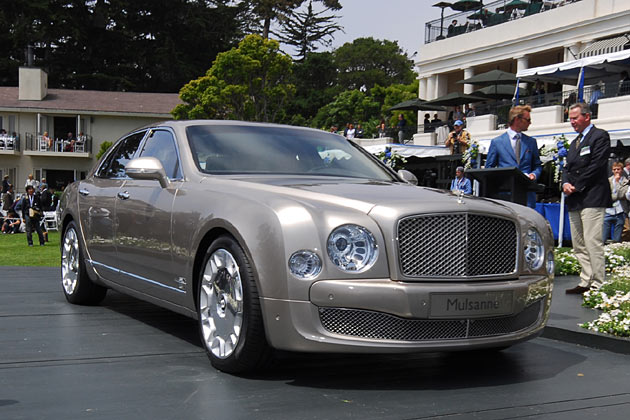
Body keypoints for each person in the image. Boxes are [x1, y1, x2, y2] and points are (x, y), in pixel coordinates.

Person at [562, 102, 611, 294]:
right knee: (578, 243)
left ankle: (598, 283)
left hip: (592, 196)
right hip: (575, 198)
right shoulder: (575, 142)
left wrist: (577, 184)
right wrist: (565, 183)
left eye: (575, 118)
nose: (572, 122)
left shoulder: (599, 136)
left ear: (587, 117)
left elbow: (597, 165)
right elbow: (566, 168)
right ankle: (585, 280)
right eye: (570, 119)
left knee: (592, 241)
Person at [485, 105, 542, 208]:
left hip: (527, 197)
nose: (530, 123)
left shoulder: (531, 142)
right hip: (505, 197)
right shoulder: (497, 142)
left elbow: (537, 166)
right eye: (528, 120)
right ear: (517, 119)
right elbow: (489, 170)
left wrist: (534, 175)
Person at [603, 161, 628, 243]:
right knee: (603, 237)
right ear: (612, 171)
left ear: (621, 170)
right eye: (615, 169)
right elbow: (609, 196)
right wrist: (615, 194)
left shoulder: (625, 182)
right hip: (608, 211)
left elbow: (621, 195)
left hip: (620, 211)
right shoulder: (608, 181)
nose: (617, 171)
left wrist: (617, 183)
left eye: (618, 169)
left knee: (617, 239)